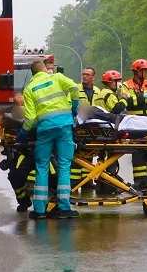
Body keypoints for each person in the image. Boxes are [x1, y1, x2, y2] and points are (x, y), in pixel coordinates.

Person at [16, 60, 80, 219]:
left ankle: (39, 211)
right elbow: (74, 87)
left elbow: (30, 118)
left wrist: (22, 134)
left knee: (42, 167)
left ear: (33, 73)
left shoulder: (29, 89)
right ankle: (64, 208)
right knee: (65, 166)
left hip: (44, 130)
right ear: (44, 69)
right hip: (64, 127)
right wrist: (74, 107)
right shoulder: (57, 78)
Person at [119, 59, 147, 190]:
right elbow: (127, 101)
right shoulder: (126, 85)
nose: (146, 73)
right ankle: (140, 181)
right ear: (136, 71)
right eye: (144, 71)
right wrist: (142, 98)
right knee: (137, 150)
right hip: (135, 123)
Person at [72, 66, 99, 189]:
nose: (85, 76)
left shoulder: (98, 91)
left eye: (88, 74)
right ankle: (74, 182)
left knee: (90, 152)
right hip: (79, 124)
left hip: (93, 126)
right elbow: (71, 104)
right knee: (78, 152)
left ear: (93, 77)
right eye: (83, 74)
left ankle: (87, 180)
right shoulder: (76, 89)